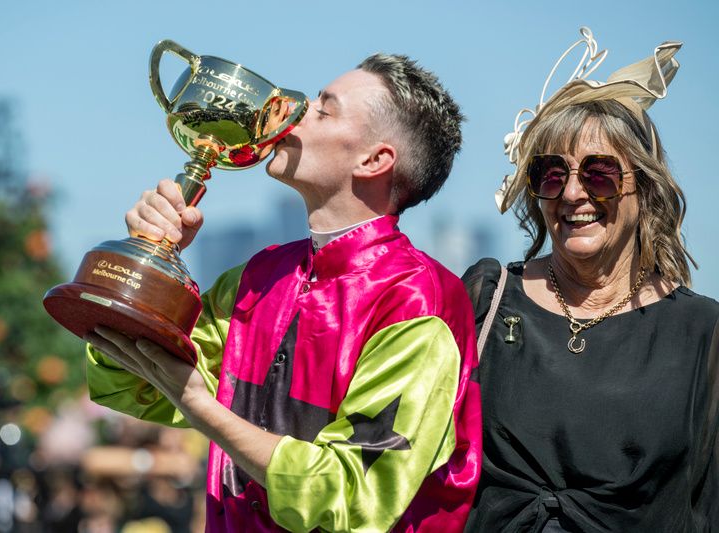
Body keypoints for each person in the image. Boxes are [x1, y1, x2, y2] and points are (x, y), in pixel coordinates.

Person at [85, 53, 482, 532]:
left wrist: (201, 406)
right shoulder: (258, 276)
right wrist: (149, 267)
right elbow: (129, 382)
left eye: (322, 109)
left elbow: (351, 497)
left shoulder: (420, 301)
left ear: (375, 159)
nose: (292, 111)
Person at [462, 28, 719, 532]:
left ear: (643, 187)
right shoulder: (487, 297)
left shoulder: (701, 331)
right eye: (551, 175)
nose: (574, 193)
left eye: (599, 173)